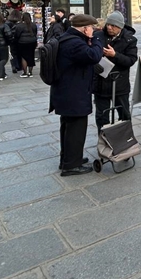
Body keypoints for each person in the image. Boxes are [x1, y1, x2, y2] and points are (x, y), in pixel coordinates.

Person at [50, 14, 103, 176]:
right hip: (74, 94)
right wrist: (95, 40)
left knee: (68, 127)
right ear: (85, 28)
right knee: (76, 130)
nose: (93, 30)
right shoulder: (75, 43)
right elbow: (94, 55)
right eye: (91, 28)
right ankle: (71, 165)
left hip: (66, 92)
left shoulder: (67, 38)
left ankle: (68, 159)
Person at [92, 11, 138, 130]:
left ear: (120, 27)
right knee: (102, 116)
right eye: (108, 25)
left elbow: (131, 60)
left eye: (113, 26)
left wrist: (114, 55)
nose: (110, 28)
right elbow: (89, 55)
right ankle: (104, 140)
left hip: (119, 84)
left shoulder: (129, 40)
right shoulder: (97, 36)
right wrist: (94, 64)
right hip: (100, 84)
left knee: (124, 114)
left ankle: (125, 139)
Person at [14, 12, 38, 77]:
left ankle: (25, 72)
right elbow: (35, 33)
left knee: (24, 57)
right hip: (32, 42)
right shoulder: (33, 25)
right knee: (31, 56)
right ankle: (30, 72)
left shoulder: (19, 25)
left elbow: (17, 35)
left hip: (22, 42)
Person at [5, 9, 22, 73]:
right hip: (20, 40)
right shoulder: (20, 22)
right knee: (19, 53)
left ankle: (14, 65)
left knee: (13, 53)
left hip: (12, 40)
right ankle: (19, 66)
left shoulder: (8, 22)